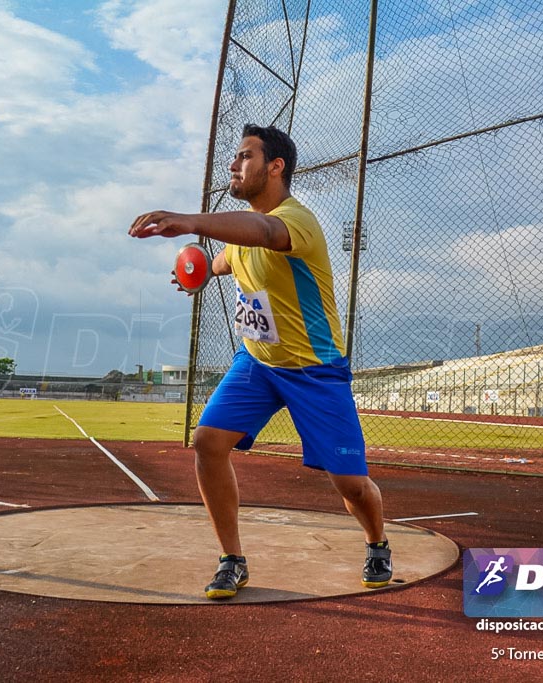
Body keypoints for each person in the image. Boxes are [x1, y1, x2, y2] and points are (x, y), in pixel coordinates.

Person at [128, 124, 391, 599]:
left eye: (245, 156)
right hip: (256, 363)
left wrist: (189, 221)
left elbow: (264, 231)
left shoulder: (296, 221)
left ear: (275, 167)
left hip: (315, 370)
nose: (234, 164)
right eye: (235, 156)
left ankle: (376, 541)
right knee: (208, 441)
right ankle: (233, 559)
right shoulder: (240, 240)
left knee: (351, 485)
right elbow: (224, 261)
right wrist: (196, 270)